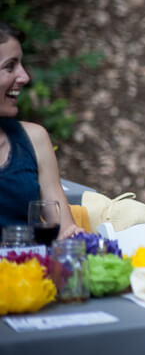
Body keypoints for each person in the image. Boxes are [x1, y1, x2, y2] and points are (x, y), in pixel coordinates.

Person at [0, 21, 80, 237]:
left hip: (29, 268)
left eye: (22, 65)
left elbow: (64, 229)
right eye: (10, 66)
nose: (25, 77)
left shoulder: (34, 139)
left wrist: (74, 239)